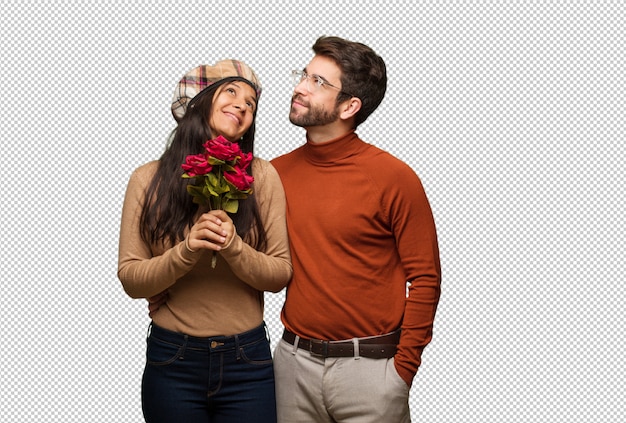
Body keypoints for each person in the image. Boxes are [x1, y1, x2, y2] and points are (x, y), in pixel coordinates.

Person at [270, 36, 441, 422]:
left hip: (372, 373)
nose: (299, 87)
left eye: (319, 83)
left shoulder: (394, 177)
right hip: (292, 368)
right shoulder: (274, 174)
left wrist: (401, 372)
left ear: (350, 106)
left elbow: (426, 278)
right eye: (304, 75)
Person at [117, 59, 292, 423]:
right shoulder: (146, 179)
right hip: (172, 358)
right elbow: (131, 279)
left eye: (251, 102)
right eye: (231, 91)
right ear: (199, 100)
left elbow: (279, 275)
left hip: (248, 360)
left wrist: (234, 247)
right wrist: (186, 250)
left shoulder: (263, 176)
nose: (243, 105)